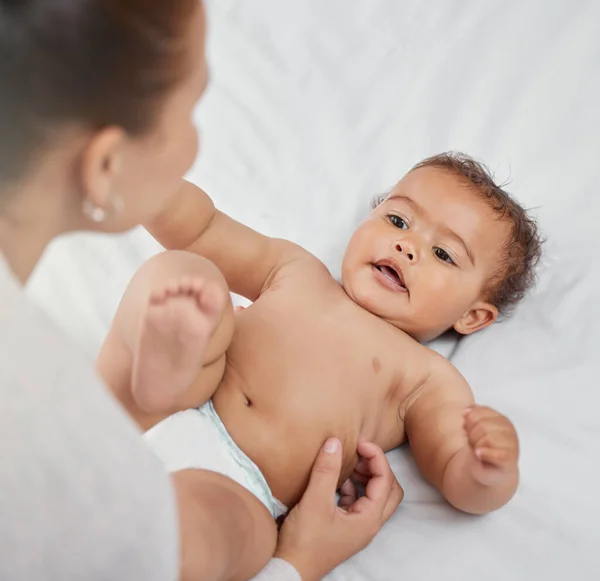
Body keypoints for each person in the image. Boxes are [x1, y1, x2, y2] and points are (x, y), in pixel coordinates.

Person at [0, 1, 402, 579]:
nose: (195, 142)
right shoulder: (52, 456)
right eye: (190, 112)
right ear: (107, 165)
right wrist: (299, 562)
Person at [98, 151, 542, 556]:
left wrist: (488, 471)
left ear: (472, 317)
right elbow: (204, 228)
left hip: (244, 490)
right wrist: (152, 189)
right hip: (175, 402)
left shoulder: (428, 378)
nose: (406, 246)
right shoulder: (295, 269)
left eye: (443, 253)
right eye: (399, 221)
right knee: (187, 277)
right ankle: (164, 361)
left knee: (204, 532)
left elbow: (453, 465)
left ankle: (140, 546)